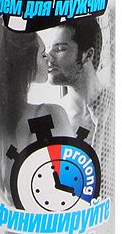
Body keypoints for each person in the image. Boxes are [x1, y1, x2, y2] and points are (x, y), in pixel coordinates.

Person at [0, 19, 70, 205]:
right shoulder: (50, 114)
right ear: (25, 63)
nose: (49, 58)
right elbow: (74, 185)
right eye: (42, 54)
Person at [45, 16, 114, 199]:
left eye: (60, 49)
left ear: (87, 55)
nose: (49, 57)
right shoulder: (54, 119)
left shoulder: (114, 104)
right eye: (49, 49)